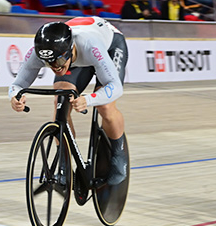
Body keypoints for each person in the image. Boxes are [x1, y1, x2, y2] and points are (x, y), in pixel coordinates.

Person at [9, 17, 129, 185]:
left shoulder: (90, 46)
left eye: (57, 61)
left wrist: (88, 99)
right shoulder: (42, 53)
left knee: (105, 106)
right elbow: (17, 85)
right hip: (75, 55)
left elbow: (116, 87)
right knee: (61, 100)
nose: (54, 67)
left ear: (69, 50)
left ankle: (118, 154)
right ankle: (64, 166)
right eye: (49, 63)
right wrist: (14, 97)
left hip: (109, 46)